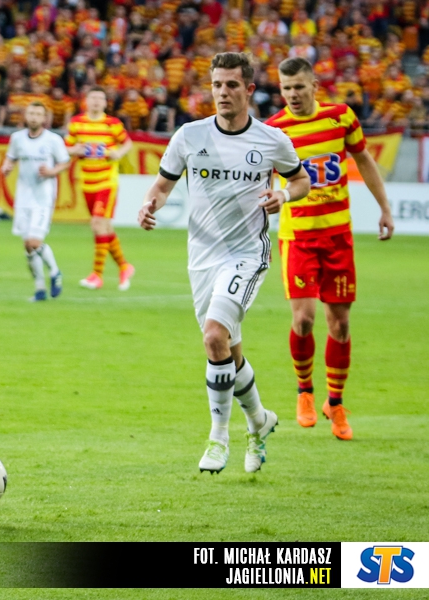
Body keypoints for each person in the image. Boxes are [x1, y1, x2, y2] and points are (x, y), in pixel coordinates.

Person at [138, 52, 311, 474]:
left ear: (248, 90)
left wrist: (283, 195)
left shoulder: (271, 140)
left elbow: (301, 180)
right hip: (202, 258)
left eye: (232, 85)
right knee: (227, 350)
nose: (222, 92)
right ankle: (259, 420)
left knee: (214, 335)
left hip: (246, 255)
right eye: (217, 84)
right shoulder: (189, 136)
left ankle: (219, 437)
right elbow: (162, 185)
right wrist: (149, 204)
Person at [265, 57, 394, 441]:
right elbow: (261, 181)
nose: (292, 95)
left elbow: (364, 159)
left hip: (337, 237)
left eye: (299, 87)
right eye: (286, 88)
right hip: (298, 237)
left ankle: (335, 403)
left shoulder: (340, 117)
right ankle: (305, 392)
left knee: (340, 323)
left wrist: (385, 209)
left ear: (314, 86)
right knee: (304, 319)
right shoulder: (274, 130)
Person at [65, 86, 135, 291]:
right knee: (104, 228)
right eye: (92, 98)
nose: (96, 101)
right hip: (87, 181)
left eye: (100, 98)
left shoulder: (112, 124)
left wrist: (118, 153)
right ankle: (124, 266)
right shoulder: (77, 123)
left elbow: (127, 144)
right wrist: (75, 150)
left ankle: (97, 275)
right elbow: (66, 148)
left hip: (107, 182)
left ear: (105, 103)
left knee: (97, 224)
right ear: (86, 101)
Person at [1, 101, 71, 301]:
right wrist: (6, 167)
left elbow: (65, 162)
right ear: (26, 116)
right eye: (31, 113)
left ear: (44, 118)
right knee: (27, 246)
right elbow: (11, 158)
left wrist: (51, 171)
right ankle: (40, 289)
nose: (34, 117)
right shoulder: (17, 138)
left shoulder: (53, 140)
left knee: (34, 242)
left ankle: (55, 271)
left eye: (38, 114)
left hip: (43, 197)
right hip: (23, 197)